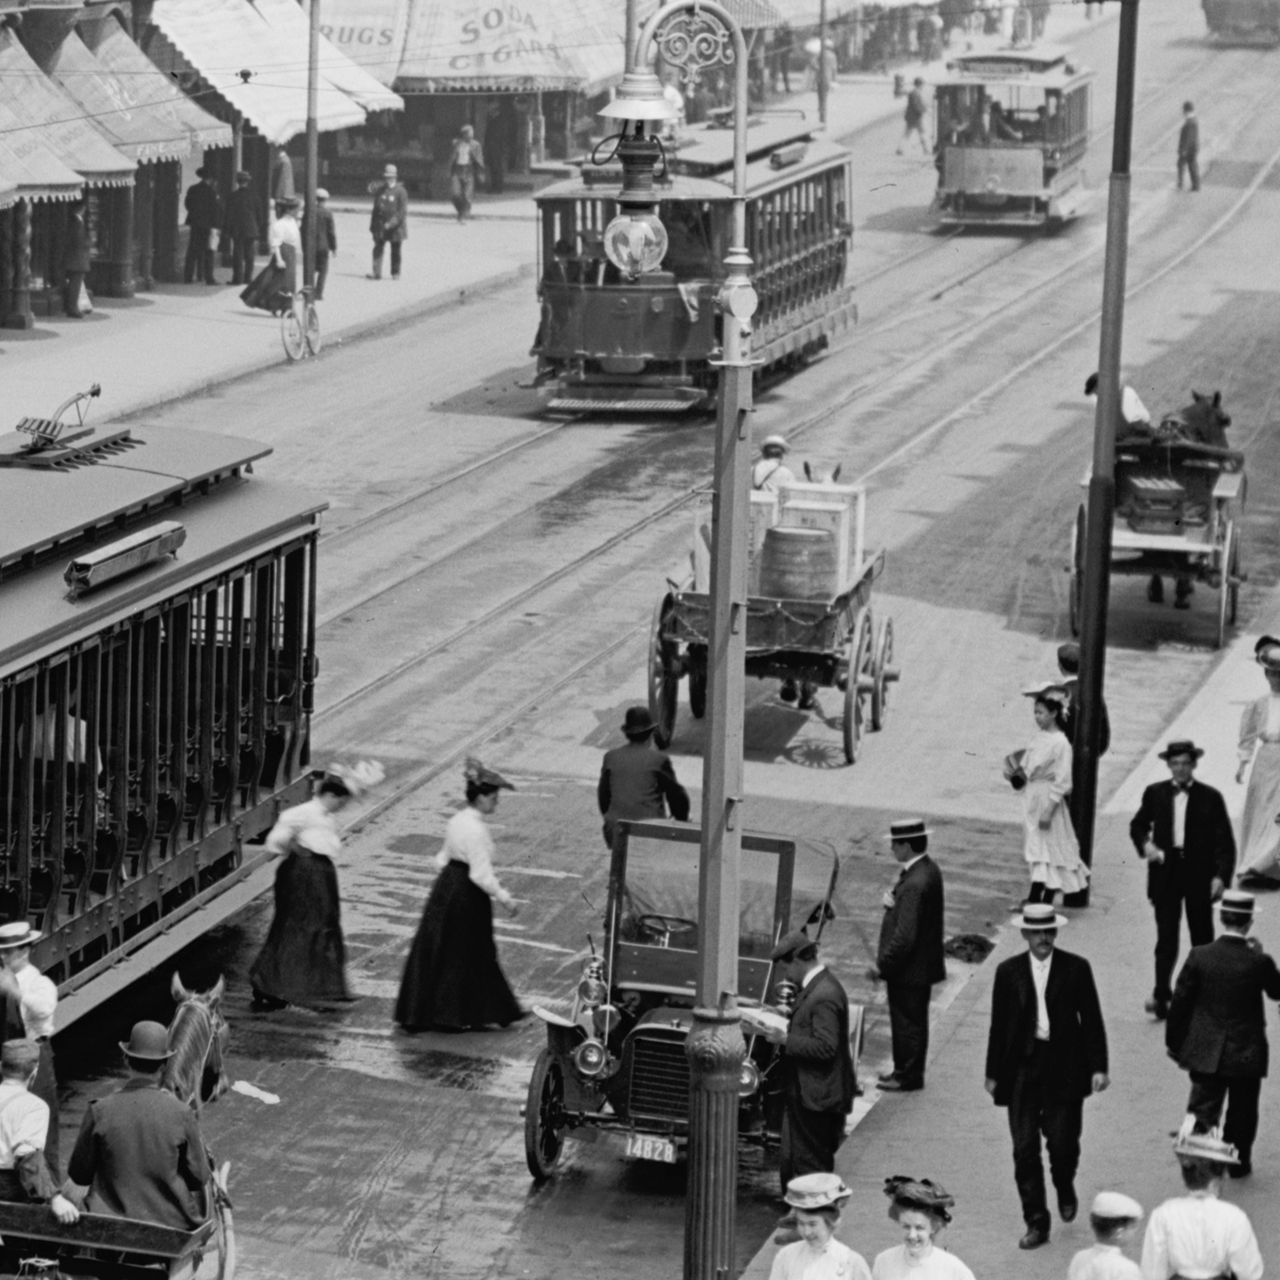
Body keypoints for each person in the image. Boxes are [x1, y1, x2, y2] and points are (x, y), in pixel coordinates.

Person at [984, 903, 1109, 1250]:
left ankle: (1064, 1182)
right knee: (1024, 1149)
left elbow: (1092, 1020)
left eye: (1049, 931)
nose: (1044, 938)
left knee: (1063, 1143)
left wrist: (1099, 1067)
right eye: (1037, 932)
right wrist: (993, 1072)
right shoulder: (1008, 972)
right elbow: (999, 1026)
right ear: (1025, 934)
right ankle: (1036, 1221)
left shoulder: (1076, 969)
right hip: (1023, 1067)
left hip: (1065, 1066)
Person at [394, 757, 524, 1033]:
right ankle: (484, 1011)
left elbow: (441, 858)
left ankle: (434, 1012)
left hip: (446, 887)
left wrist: (448, 883)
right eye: (493, 797)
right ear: (481, 798)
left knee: (441, 949)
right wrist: (505, 898)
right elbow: (479, 873)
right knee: (472, 952)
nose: (496, 802)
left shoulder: (457, 820)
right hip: (467, 894)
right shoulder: (476, 829)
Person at [248, 761, 383, 1009]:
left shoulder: (323, 815)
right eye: (341, 800)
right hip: (304, 874)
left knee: (317, 926)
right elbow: (275, 840)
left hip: (318, 874)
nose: (342, 806)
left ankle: (306, 986)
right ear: (330, 794)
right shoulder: (303, 813)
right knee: (301, 928)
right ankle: (272, 984)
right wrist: (295, 847)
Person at [1165, 889, 1280, 1178]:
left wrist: (1176, 1043)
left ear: (1222, 919)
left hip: (1206, 1048)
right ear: (1248, 923)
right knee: (1243, 1110)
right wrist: (1261, 954)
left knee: (1204, 1107)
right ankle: (1238, 1160)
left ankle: (1200, 1159)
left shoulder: (1201, 956)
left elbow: (1180, 1002)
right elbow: (1277, 990)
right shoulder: (1258, 961)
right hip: (1246, 1049)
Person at [1129, 739, 1236, 1020]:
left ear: (1194, 765)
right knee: (1166, 937)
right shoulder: (1156, 793)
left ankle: (1202, 995)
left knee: (1201, 936)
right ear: (1168, 765)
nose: (1180, 769)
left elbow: (1224, 841)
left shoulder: (1210, 797)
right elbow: (1137, 825)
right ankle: (1161, 993)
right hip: (1166, 871)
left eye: (1185, 764)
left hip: (1198, 873)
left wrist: (1221, 877)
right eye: (1175, 764)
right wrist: (1147, 846)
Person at [68, 1021, 210, 1230]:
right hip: (170, 1227)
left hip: (108, 1225)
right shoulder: (182, 1114)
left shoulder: (99, 1111)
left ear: (126, 1060)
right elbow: (199, 1178)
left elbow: (80, 1174)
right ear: (164, 1065)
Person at [763, 930, 857, 1195]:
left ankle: (815, 1217)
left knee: (812, 1165)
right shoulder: (821, 986)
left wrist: (785, 1038)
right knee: (804, 1161)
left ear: (797, 961)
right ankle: (804, 1216)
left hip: (817, 1096)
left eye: (786, 969)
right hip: (812, 1092)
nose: (786, 977)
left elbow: (826, 1047)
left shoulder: (824, 995)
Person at [869, 819, 945, 1093]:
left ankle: (906, 1075)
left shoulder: (914, 882)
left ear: (907, 845)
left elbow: (905, 937)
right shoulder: (927, 870)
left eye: (895, 844)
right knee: (913, 1022)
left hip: (908, 970)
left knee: (907, 1025)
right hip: (920, 967)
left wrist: (883, 966)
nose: (891, 849)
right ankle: (907, 1071)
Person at [1140, 1132, 1262, 1280]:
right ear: (1217, 1181)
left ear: (1185, 1178)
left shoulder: (1163, 1214)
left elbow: (1152, 1270)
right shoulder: (1234, 1216)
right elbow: (1248, 1271)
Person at [1007, 683, 1088, 903]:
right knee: (1035, 846)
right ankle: (1035, 895)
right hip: (1032, 796)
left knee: (1049, 848)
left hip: (1047, 799)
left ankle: (1045, 897)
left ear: (1053, 713)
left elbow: (1063, 780)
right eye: (1035, 712)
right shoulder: (1037, 738)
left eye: (1041, 713)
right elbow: (1026, 766)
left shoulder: (1061, 743)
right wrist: (1016, 776)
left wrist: (1049, 810)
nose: (1037, 717)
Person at [0, 923, 61, 1178]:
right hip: (6, 1056)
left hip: (35, 1055)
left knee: (40, 1118)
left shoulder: (38, 982)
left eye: (8, 952)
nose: (2, 957)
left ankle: (50, 1185)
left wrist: (17, 992)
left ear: (24, 951)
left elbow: (44, 1009)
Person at [0, 1039, 77, 1222]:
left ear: (1, 1067)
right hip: (8, 1193)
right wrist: (54, 1198)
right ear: (33, 1073)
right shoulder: (34, 1107)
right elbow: (27, 1157)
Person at [597, 706, 690, 849]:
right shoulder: (658, 759)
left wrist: (611, 818)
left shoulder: (611, 757)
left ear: (627, 734)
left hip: (615, 830)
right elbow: (677, 796)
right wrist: (681, 820)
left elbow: (603, 797)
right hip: (650, 830)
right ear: (651, 734)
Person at [1234, 635, 1280, 884]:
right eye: (1271, 675)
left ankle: (1269, 864)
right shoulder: (1258, 705)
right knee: (1260, 806)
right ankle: (1253, 861)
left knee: (1277, 811)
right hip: (1265, 759)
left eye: (1279, 675)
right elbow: (1248, 736)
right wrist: (1243, 762)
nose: (1275, 680)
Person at [769, 1173, 871, 1279]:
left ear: (831, 1223)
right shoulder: (786, 1256)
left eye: (812, 1224)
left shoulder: (852, 1263)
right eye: (801, 1223)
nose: (806, 1232)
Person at [872, 1176, 975, 1280]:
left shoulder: (955, 1271)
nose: (912, 1235)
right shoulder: (884, 1262)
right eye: (906, 1226)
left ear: (933, 1227)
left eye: (919, 1227)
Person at [1067, 1191, 1144, 1280]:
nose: (1135, 1231)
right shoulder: (1126, 1269)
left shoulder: (1079, 1258)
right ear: (1119, 1232)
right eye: (1133, 1227)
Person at [367, 163, 408, 280]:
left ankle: (395, 273)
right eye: (386, 177)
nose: (388, 179)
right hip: (380, 224)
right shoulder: (380, 190)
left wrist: (391, 223)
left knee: (395, 250)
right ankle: (376, 272)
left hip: (396, 227)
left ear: (395, 177)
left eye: (391, 177)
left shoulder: (401, 191)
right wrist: (373, 225)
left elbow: (401, 212)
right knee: (378, 248)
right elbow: (375, 208)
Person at [183, 167, 222, 285]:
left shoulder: (192, 189)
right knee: (209, 251)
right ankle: (208, 277)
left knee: (192, 250)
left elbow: (187, 204)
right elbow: (216, 209)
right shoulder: (212, 192)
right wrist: (217, 225)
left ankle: (188, 277)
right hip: (208, 225)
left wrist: (195, 215)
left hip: (195, 223)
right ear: (210, 179)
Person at [224, 170, 261, 287]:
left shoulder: (232, 197)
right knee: (250, 254)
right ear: (248, 182)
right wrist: (257, 226)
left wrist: (227, 229)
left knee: (237, 254)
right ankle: (248, 278)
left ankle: (237, 278)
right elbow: (259, 215)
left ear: (237, 182)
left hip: (237, 229)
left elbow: (228, 215)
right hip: (251, 228)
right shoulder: (255, 196)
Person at [449, 124, 486, 223]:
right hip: (457, 170)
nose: (472, 136)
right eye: (470, 134)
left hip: (468, 170)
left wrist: (480, 173)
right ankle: (460, 210)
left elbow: (479, 159)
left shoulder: (476, 145)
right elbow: (452, 157)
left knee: (467, 195)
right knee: (455, 194)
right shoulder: (456, 143)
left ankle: (461, 215)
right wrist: (448, 170)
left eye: (472, 134)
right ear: (464, 135)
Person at [305, 189, 337, 302]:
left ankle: (309, 291)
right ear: (325, 200)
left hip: (311, 246)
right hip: (324, 246)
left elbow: (303, 229)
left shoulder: (309, 212)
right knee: (323, 271)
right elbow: (331, 232)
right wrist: (334, 247)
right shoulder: (328, 213)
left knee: (311, 270)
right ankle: (318, 293)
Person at [268, 196, 302, 301]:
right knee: (282, 280)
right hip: (284, 252)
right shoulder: (280, 224)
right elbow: (276, 243)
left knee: (290, 279)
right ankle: (280, 304)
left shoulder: (292, 222)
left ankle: (289, 305)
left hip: (291, 252)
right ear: (288, 210)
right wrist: (279, 259)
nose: (297, 211)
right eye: (295, 209)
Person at [63, 198, 90, 318]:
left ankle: (73, 307)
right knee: (75, 285)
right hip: (76, 259)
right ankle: (72, 308)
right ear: (81, 208)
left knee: (76, 284)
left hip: (77, 259)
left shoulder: (77, 221)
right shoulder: (75, 222)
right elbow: (77, 241)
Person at [898, 78, 929, 155]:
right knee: (921, 133)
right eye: (922, 84)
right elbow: (916, 105)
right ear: (919, 84)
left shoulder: (914, 92)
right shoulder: (915, 93)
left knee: (908, 134)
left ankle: (900, 149)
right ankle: (926, 150)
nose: (923, 86)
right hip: (916, 117)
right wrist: (924, 110)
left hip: (912, 117)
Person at [1177, 101, 1200, 192]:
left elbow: (1188, 138)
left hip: (1188, 149)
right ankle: (1194, 185)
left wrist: (1183, 150)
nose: (1183, 112)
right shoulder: (1192, 120)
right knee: (1190, 166)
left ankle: (1182, 184)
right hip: (1192, 148)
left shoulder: (1190, 122)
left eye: (1184, 110)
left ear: (1186, 110)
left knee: (1184, 165)